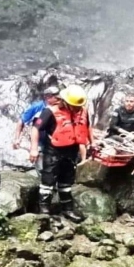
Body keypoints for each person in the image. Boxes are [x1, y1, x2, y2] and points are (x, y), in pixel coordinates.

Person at [30, 85, 91, 222]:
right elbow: (35, 128)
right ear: (66, 101)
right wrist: (34, 148)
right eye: (74, 106)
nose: (77, 109)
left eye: (78, 106)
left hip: (71, 151)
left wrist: (91, 143)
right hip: (53, 150)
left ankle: (67, 209)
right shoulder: (49, 112)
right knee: (48, 180)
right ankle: (44, 211)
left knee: (67, 181)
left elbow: (86, 127)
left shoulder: (81, 111)